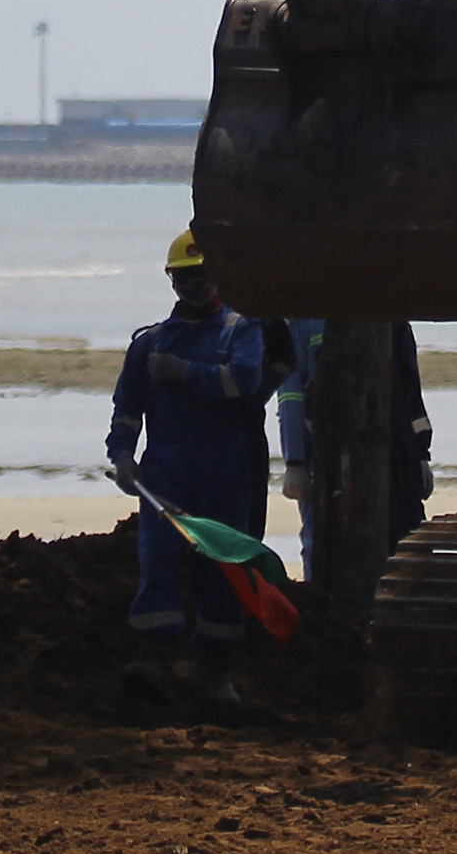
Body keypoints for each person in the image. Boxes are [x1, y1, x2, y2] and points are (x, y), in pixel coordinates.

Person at [106, 228, 287, 709]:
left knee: (223, 571)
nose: (196, 284)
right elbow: (127, 409)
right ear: (172, 281)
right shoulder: (148, 345)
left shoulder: (239, 331)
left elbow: (244, 382)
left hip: (225, 473)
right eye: (187, 276)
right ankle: (155, 661)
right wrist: (122, 455)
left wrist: (184, 374)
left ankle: (215, 671)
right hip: (164, 473)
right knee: (158, 564)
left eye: (204, 274)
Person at [276, 317, 431, 578]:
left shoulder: (393, 322)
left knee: (402, 538)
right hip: (328, 461)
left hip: (393, 459)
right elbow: (291, 397)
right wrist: (295, 461)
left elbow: (409, 393)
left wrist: (420, 455)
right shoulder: (303, 323)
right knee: (325, 542)